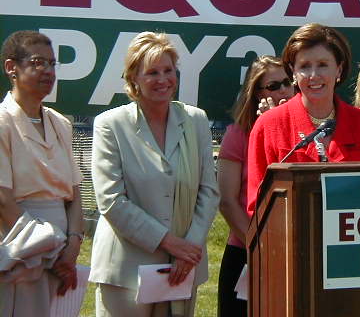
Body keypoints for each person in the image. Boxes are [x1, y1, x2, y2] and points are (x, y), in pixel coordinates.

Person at [89, 32, 219, 317]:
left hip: (184, 266)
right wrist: (170, 243)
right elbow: (111, 201)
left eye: (168, 70)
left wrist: (190, 248)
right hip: (126, 269)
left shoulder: (195, 120)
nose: (163, 80)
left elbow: (209, 191)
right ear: (133, 77)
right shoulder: (110, 125)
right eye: (152, 72)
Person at [247, 23, 360, 214]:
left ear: (338, 69)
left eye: (323, 65)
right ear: (293, 72)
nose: (314, 75)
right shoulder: (268, 125)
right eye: (305, 66)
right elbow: (257, 205)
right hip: (292, 240)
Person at [0, 30, 84, 316]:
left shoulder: (61, 123)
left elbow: (74, 193)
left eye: (52, 64)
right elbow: (3, 200)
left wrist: (72, 246)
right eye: (38, 62)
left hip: (60, 256)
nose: (48, 71)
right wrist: (51, 249)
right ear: (12, 68)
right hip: (20, 253)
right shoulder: (2, 122)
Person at [217, 55, 294, 317]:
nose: (283, 90)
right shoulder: (238, 134)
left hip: (295, 253)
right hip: (246, 251)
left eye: (287, 82)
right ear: (256, 93)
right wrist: (258, 245)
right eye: (273, 86)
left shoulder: (311, 133)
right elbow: (227, 201)